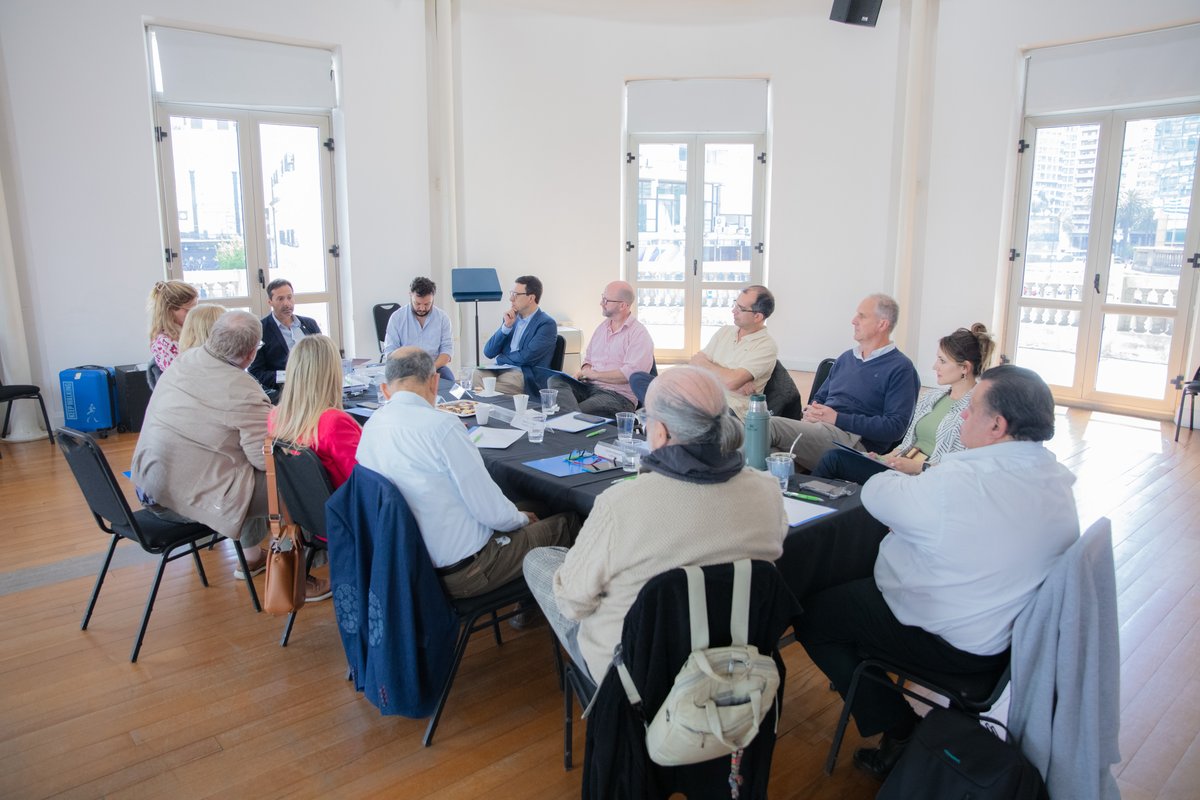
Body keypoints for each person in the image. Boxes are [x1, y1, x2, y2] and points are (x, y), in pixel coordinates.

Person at [796, 365, 1079, 780]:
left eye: (972, 409)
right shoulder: (1054, 476)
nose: (961, 416)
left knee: (813, 614)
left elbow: (880, 493)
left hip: (953, 641)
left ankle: (902, 732)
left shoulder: (967, 478)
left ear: (998, 425)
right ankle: (866, 683)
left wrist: (898, 485)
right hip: (1005, 637)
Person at [523, 366, 788, 682]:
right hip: (732, 660)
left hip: (634, 677)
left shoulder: (621, 503)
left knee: (540, 560)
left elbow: (572, 604)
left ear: (659, 432)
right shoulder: (767, 489)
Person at [355, 347, 579, 600]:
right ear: (434, 381)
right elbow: (490, 512)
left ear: (385, 389)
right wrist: (522, 520)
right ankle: (550, 611)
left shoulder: (371, 427)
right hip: (468, 570)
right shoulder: (442, 427)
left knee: (536, 506)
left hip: (408, 566)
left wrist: (519, 516)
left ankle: (527, 602)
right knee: (571, 521)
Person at [131, 311, 274, 578]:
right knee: (297, 483)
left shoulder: (185, 360)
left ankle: (253, 555)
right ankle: (299, 571)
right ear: (251, 354)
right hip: (178, 501)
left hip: (149, 483)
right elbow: (263, 459)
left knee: (237, 458)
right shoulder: (243, 388)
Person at [811, 324, 995, 484]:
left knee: (834, 460)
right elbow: (905, 444)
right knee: (836, 456)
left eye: (942, 361)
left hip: (924, 477)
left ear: (965, 368)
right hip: (899, 467)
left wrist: (918, 467)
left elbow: (963, 466)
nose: (934, 366)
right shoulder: (931, 397)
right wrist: (882, 458)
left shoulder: (976, 409)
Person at [768, 294, 920, 471]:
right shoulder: (846, 358)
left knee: (768, 425)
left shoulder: (901, 368)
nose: (853, 321)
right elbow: (819, 398)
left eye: (862, 316)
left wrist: (838, 418)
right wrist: (813, 411)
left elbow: (895, 428)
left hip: (855, 443)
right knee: (771, 453)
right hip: (821, 430)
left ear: (882, 324)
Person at [267, 334, 361, 603]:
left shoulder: (277, 417)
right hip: (349, 523)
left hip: (310, 522)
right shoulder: (333, 422)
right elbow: (367, 478)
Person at [631, 285, 778, 420]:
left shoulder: (766, 346)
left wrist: (724, 377)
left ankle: (669, 413)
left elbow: (730, 381)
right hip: (699, 395)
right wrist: (730, 380)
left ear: (757, 316)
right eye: (735, 304)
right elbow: (695, 362)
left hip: (728, 409)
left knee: (667, 399)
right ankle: (672, 413)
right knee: (638, 378)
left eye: (740, 308)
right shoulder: (725, 332)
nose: (733, 310)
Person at [545, 280, 654, 417]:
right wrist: (583, 372)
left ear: (623, 305)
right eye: (603, 298)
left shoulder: (639, 335)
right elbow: (588, 360)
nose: (601, 303)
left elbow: (629, 375)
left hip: (617, 396)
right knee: (556, 380)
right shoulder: (602, 328)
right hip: (589, 387)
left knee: (572, 411)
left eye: (606, 300)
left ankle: (569, 418)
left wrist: (594, 374)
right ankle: (570, 419)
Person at [479, 275, 558, 395]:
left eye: (515, 294)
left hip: (525, 374)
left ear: (531, 298)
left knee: (487, 389)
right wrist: (506, 327)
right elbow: (488, 352)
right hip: (502, 369)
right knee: (477, 375)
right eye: (511, 293)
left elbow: (526, 357)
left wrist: (501, 359)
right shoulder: (511, 319)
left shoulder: (546, 324)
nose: (511, 299)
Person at [248, 278, 321, 400]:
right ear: (270, 302)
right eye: (280, 299)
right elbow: (256, 372)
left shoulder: (309, 324)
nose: (287, 303)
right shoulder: (260, 329)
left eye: (289, 297)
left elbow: (323, 356)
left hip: (316, 386)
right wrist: (289, 377)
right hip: (285, 393)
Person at [383, 276, 455, 382]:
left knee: (449, 381)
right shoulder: (397, 318)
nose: (422, 308)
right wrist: (406, 369)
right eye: (417, 303)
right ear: (410, 295)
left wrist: (431, 369)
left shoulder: (442, 318)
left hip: (434, 367)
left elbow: (447, 351)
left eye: (427, 304)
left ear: (433, 298)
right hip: (405, 369)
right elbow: (390, 351)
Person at [147, 280, 198, 371]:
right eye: (188, 310)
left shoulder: (186, 331)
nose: (193, 314)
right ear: (169, 310)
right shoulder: (165, 342)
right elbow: (179, 375)